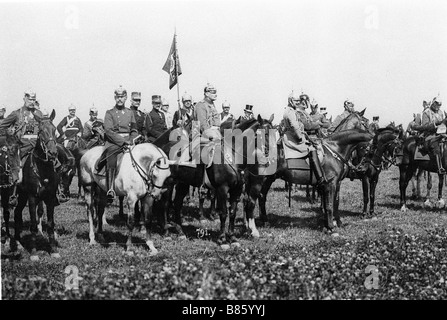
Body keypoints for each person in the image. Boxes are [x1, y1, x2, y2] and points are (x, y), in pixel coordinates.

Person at [0, 90, 45, 204]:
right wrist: (9, 136)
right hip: (21, 146)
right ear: (24, 99)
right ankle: (13, 193)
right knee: (18, 174)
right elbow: (2, 126)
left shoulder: (39, 114)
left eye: (33, 100)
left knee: (53, 163)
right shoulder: (17, 113)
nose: (31, 102)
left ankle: (58, 191)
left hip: (37, 146)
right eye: (30, 99)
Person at [101, 86, 138, 203]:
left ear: (126, 98)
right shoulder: (110, 113)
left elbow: (134, 129)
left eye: (122, 97)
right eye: (118, 97)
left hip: (129, 141)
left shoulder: (130, 112)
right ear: (115, 98)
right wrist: (123, 142)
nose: (120, 99)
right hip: (114, 142)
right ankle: (111, 188)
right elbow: (109, 131)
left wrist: (132, 139)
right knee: (111, 158)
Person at [282, 91, 327, 186]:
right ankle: (320, 178)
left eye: (298, 101)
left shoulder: (289, 110)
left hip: (290, 135)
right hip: (293, 138)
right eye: (295, 101)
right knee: (312, 149)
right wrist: (301, 138)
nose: (298, 102)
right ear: (290, 101)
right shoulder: (291, 112)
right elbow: (295, 126)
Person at [420, 95, 445, 174]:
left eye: (440, 105)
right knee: (436, 146)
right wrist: (435, 125)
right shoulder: (426, 112)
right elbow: (424, 126)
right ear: (433, 103)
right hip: (429, 135)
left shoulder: (440, 112)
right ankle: (440, 167)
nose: (438, 106)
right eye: (437, 104)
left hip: (441, 134)